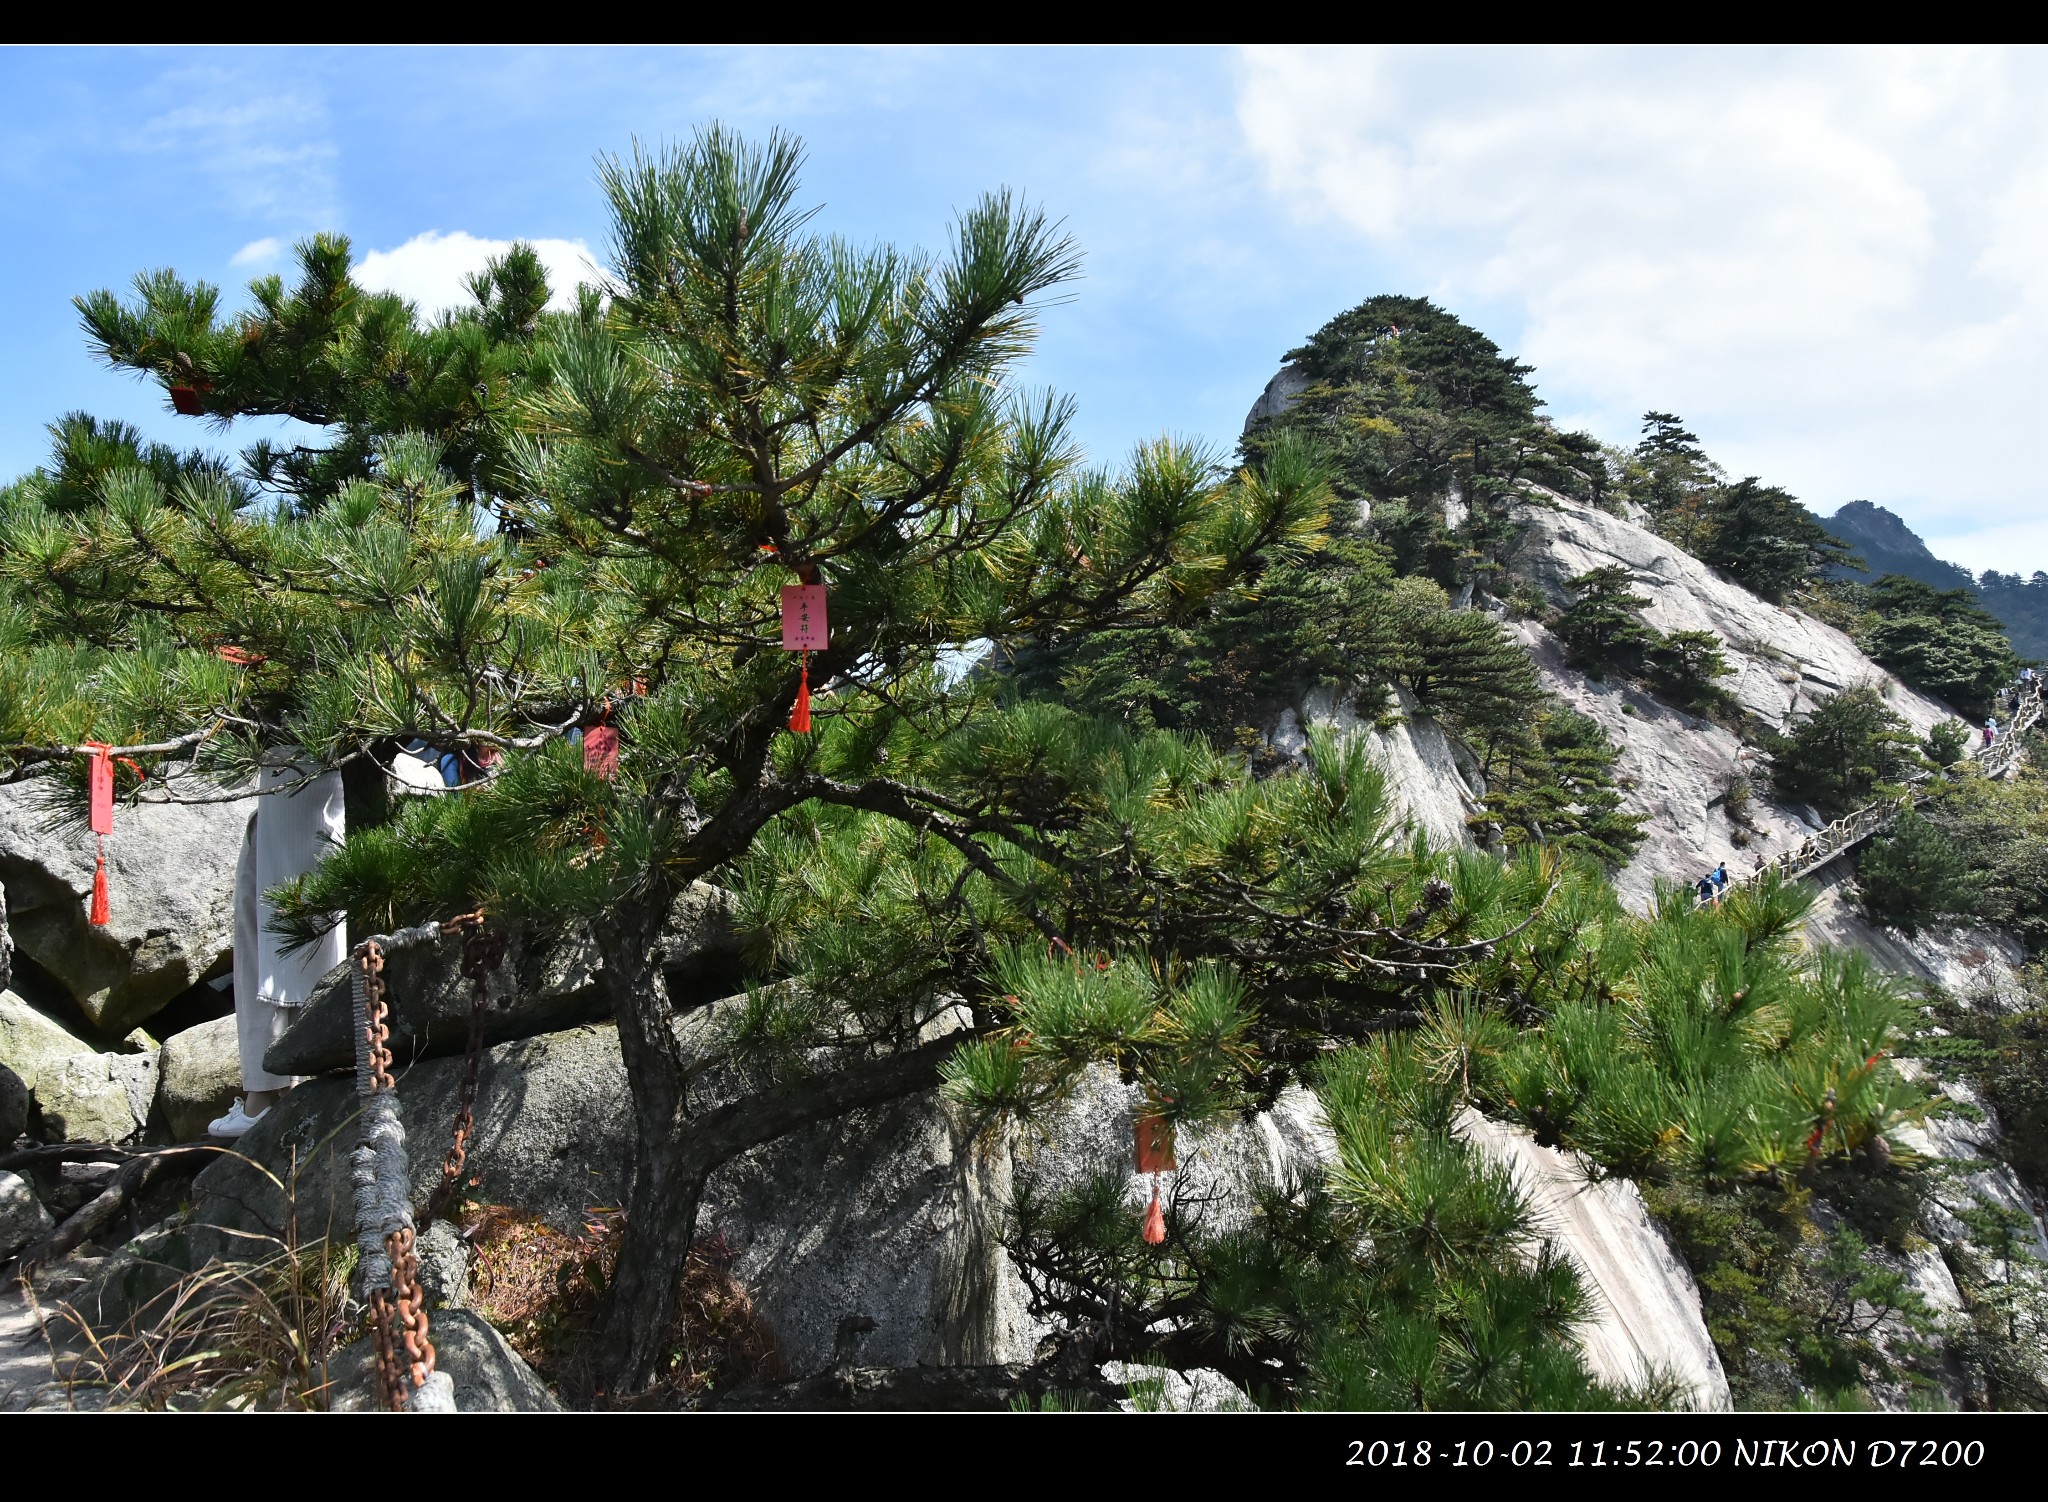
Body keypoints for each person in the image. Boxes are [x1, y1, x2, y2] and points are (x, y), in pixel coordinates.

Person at [207, 756, 348, 1139]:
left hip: (292, 772)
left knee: (265, 940)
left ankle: (262, 1096)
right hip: (322, 782)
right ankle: (276, 1089)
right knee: (307, 939)